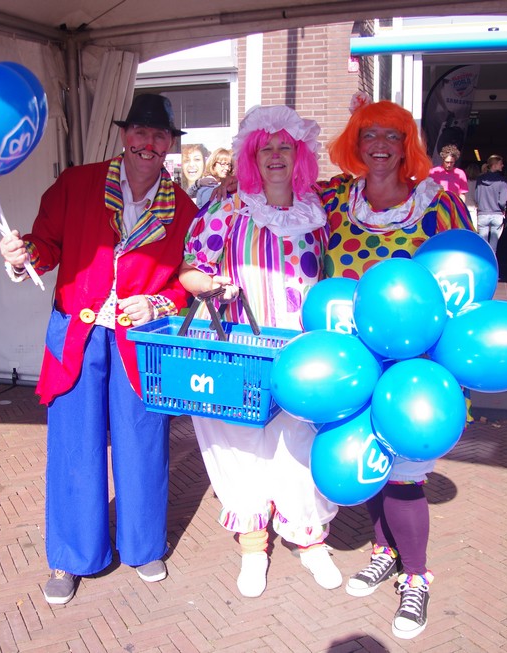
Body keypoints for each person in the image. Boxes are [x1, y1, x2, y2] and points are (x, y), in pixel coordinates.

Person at [0, 94, 198, 606]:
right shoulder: (77, 183)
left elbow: (187, 279)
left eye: (159, 135)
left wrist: (158, 302)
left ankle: (143, 545)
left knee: (143, 441)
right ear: (125, 136)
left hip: (139, 340)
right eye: (140, 132)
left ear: (169, 144)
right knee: (74, 445)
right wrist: (22, 256)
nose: (148, 143)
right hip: (77, 335)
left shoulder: (183, 207)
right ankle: (71, 556)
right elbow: (46, 246)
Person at [319, 95, 474, 640]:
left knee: (405, 474)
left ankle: (416, 577)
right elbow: (277, 194)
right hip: (352, 358)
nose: (380, 145)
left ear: (408, 145)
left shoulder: (438, 204)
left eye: (392, 135)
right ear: (355, 143)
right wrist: (230, 186)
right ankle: (384, 551)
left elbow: (465, 276)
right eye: (369, 134)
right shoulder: (335, 199)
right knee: (369, 459)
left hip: (415, 361)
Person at [178, 105, 340, 599]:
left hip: (303, 351)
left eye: (284, 147)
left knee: (300, 443)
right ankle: (252, 546)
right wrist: (212, 285)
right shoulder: (228, 209)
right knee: (241, 444)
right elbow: (189, 270)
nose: (275, 155)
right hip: (239, 347)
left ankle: (309, 541)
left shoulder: (318, 212)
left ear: (299, 156)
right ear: (251, 155)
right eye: (264, 148)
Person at [474, 154, 507, 255]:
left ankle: (483, 262)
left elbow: (476, 197)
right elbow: (503, 201)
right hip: (497, 214)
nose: (502, 165)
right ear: (494, 165)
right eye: (500, 164)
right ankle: (492, 263)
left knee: (483, 245)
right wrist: (502, 208)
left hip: (483, 213)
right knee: (493, 246)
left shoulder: (480, 179)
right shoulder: (502, 181)